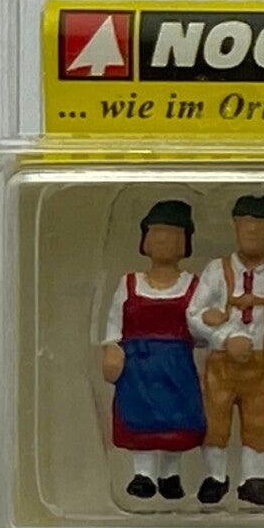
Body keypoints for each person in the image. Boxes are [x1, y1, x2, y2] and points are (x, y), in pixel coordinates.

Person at [187, 194, 264, 507]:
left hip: (261, 366)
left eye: (261, 226)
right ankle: (216, 476)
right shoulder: (216, 271)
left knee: (259, 421)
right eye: (246, 225)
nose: (253, 231)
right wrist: (223, 338)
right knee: (215, 420)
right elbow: (193, 315)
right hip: (221, 365)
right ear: (236, 226)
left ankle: (253, 478)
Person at [100, 200, 206, 501]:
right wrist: (110, 348)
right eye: (156, 232)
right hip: (137, 366)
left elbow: (202, 327)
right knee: (140, 416)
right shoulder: (128, 283)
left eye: (171, 234)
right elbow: (114, 320)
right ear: (144, 240)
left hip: (177, 365)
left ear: (185, 242)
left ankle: (170, 474)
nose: (162, 240)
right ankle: (143, 474)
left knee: (176, 417)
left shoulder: (194, 285)